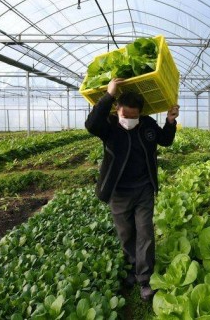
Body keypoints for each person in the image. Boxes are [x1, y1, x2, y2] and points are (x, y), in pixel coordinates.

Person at [85, 78, 179, 301]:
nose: (129, 120)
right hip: (119, 192)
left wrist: (170, 121)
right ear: (117, 110)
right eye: (125, 115)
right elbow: (90, 125)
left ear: (141, 113)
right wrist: (108, 95)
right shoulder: (108, 125)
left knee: (145, 232)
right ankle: (131, 268)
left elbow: (165, 141)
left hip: (143, 189)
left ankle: (145, 279)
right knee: (126, 233)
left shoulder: (146, 125)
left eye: (133, 116)